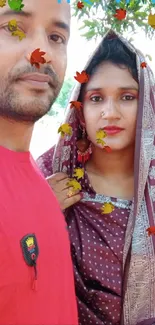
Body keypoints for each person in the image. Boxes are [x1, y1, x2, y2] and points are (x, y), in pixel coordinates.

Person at [37, 29, 155, 325]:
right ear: (80, 109)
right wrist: (37, 211)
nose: (110, 113)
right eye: (96, 98)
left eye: (127, 97)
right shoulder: (50, 174)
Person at [0, 0, 78, 324]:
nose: (40, 52)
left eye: (56, 37)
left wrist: (42, 203)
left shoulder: (38, 177)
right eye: (14, 27)